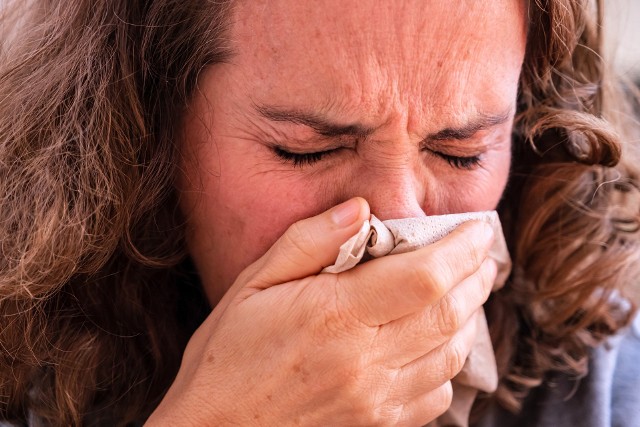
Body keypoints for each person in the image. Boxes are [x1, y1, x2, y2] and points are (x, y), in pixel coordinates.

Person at [1, 0, 639, 425]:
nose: (395, 220)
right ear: (147, 125)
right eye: (306, 150)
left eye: (461, 152)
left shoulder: (594, 367)